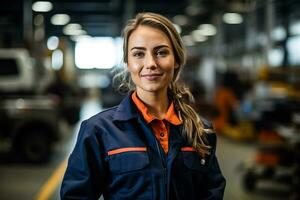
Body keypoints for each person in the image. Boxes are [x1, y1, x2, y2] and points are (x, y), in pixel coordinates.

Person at [60, 12, 226, 200]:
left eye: (161, 52)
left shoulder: (201, 131)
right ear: (127, 63)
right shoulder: (98, 131)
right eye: (139, 54)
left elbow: (212, 192)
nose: (150, 63)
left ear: (177, 60)